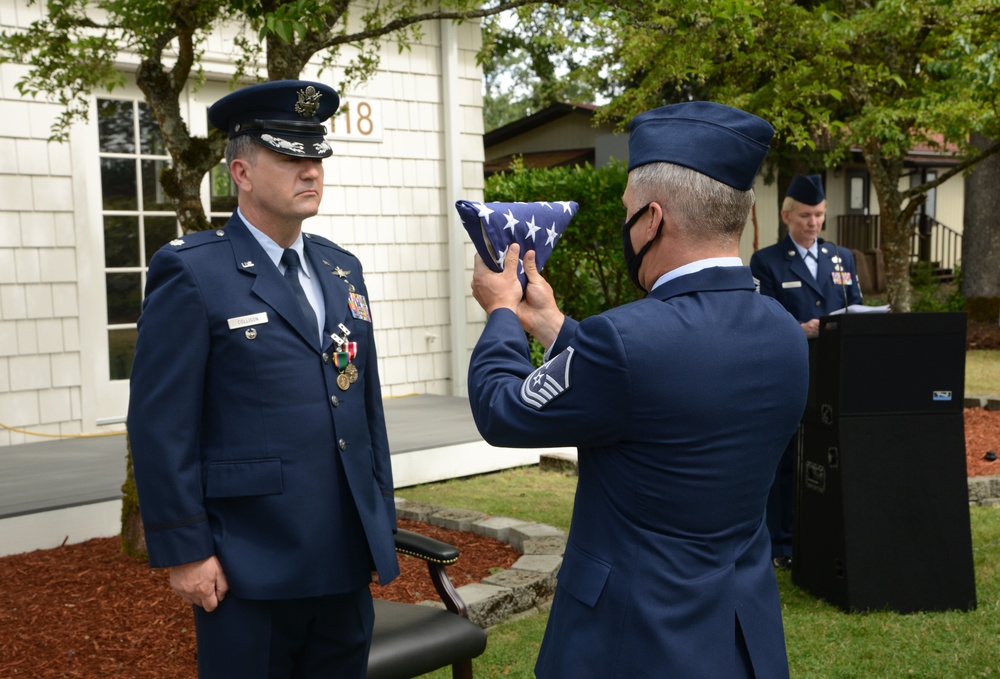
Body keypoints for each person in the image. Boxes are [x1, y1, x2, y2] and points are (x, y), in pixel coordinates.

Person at [467, 101, 808, 679]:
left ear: (652, 221)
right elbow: (670, 380)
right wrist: (553, 324)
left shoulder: (625, 341)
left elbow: (503, 412)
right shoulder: (782, 329)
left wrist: (501, 312)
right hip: (737, 635)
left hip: (632, 640)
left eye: (628, 213)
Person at [127, 80, 399, 679]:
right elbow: (159, 426)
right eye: (290, 157)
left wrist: (379, 518)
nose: (311, 172)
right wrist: (187, 550)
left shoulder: (339, 267)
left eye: (317, 158)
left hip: (344, 552)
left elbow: (363, 404)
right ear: (241, 173)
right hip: (250, 559)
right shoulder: (194, 272)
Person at [749, 174, 862, 569]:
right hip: (792, 370)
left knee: (832, 452)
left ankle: (828, 532)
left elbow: (856, 306)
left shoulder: (841, 258)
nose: (813, 223)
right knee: (788, 459)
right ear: (786, 215)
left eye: (818, 215)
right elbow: (762, 321)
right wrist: (803, 328)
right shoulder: (767, 261)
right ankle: (782, 543)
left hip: (836, 370)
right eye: (805, 215)